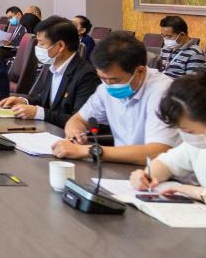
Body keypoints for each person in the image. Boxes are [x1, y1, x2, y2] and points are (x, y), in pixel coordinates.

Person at [128, 63, 206, 224]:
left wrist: (196, 192)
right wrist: (147, 176)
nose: (184, 137)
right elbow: (167, 163)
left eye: (188, 131)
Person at [52, 32, 179, 164]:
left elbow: (158, 152)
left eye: (114, 79)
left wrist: (89, 150)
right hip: (122, 167)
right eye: (102, 78)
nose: (108, 85)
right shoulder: (105, 88)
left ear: (140, 71)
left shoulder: (164, 92)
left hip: (160, 172)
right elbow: (78, 119)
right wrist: (74, 132)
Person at [0, 16, 100, 126]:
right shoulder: (52, 66)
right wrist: (24, 101)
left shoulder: (86, 75)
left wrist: (39, 113)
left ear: (60, 46)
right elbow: (44, 100)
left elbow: (80, 121)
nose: (37, 47)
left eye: (41, 43)